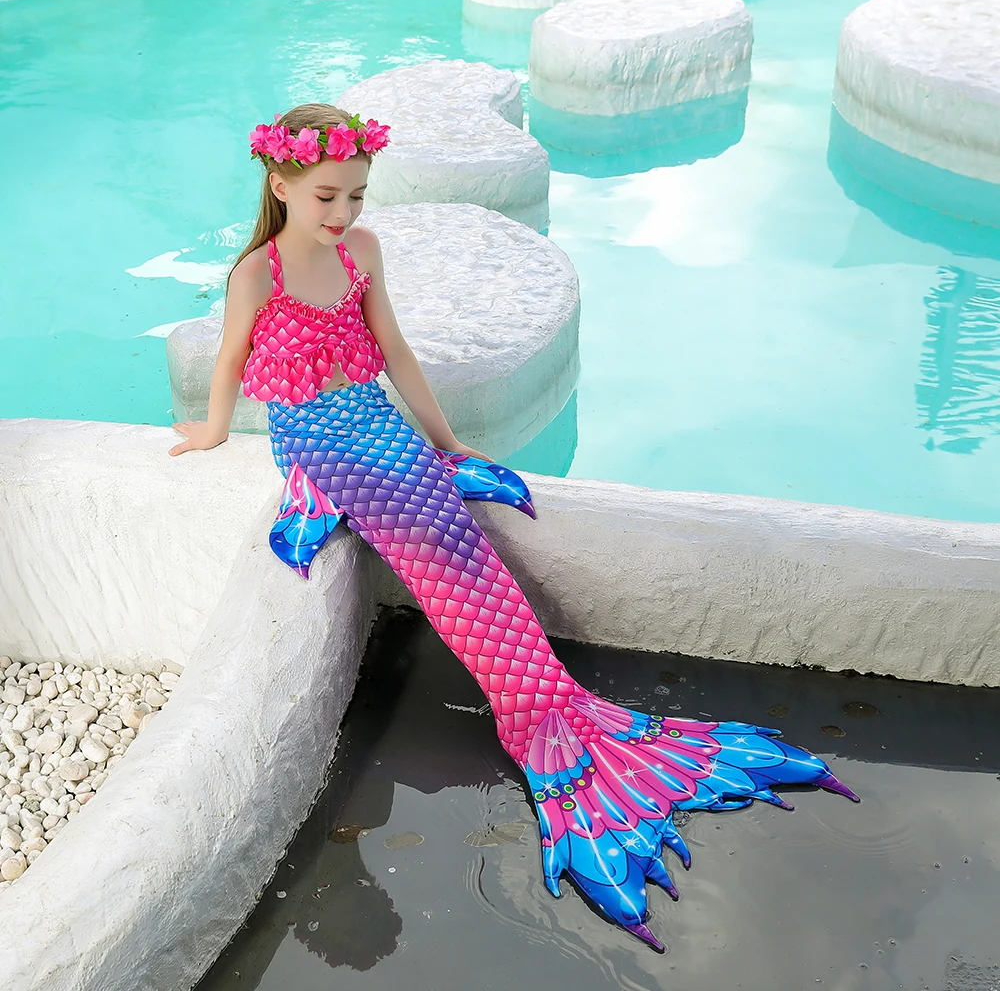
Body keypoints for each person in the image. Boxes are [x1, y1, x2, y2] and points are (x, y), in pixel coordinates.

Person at [168, 104, 857, 950]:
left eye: (357, 194)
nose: (344, 212)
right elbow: (231, 358)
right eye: (326, 196)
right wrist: (212, 431)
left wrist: (448, 442)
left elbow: (395, 350)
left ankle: (547, 705)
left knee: (454, 534)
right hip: (316, 439)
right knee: (428, 543)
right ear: (280, 185)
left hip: (378, 422)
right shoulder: (258, 274)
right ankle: (531, 713)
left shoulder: (362, 252)